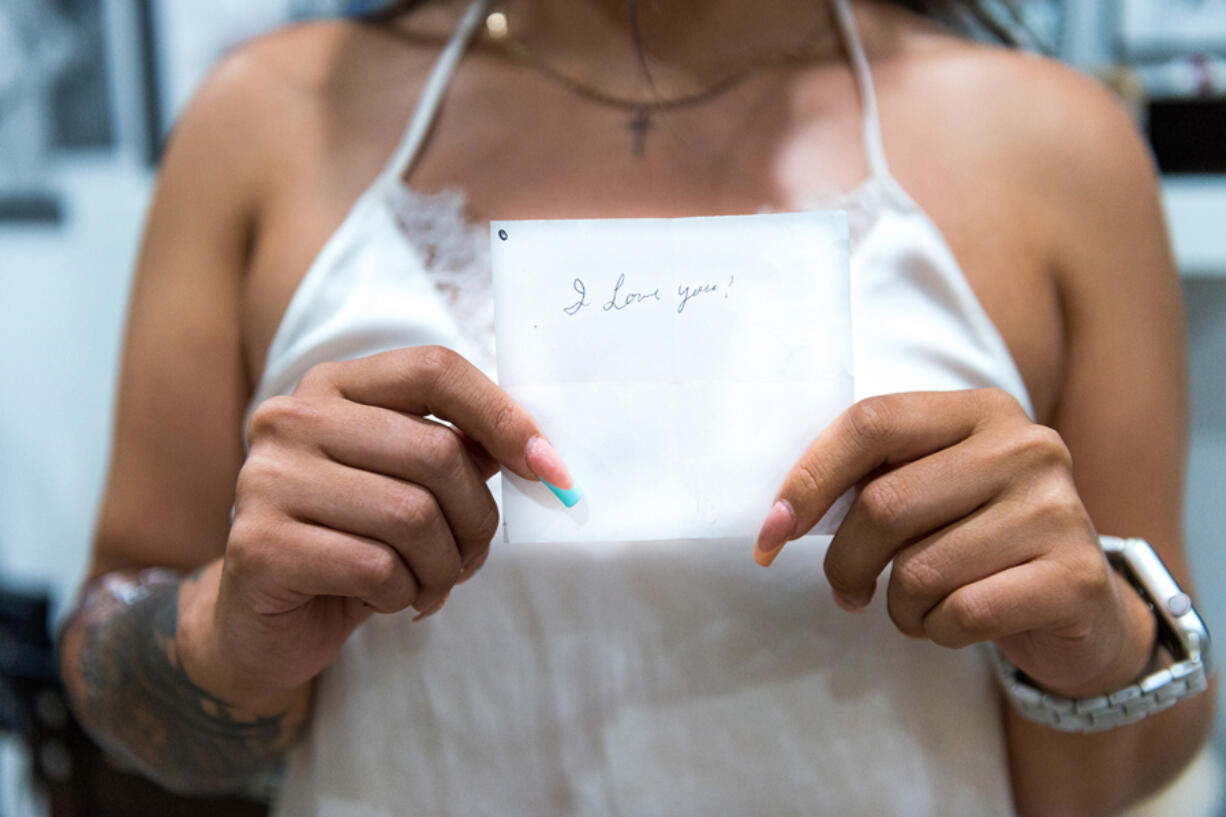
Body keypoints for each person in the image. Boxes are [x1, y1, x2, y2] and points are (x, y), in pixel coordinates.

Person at [58, 0, 1215, 814]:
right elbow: (117, 672)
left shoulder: (1057, 150)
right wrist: (221, 640)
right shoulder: (262, 121)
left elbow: (1117, 778)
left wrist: (1092, 637)